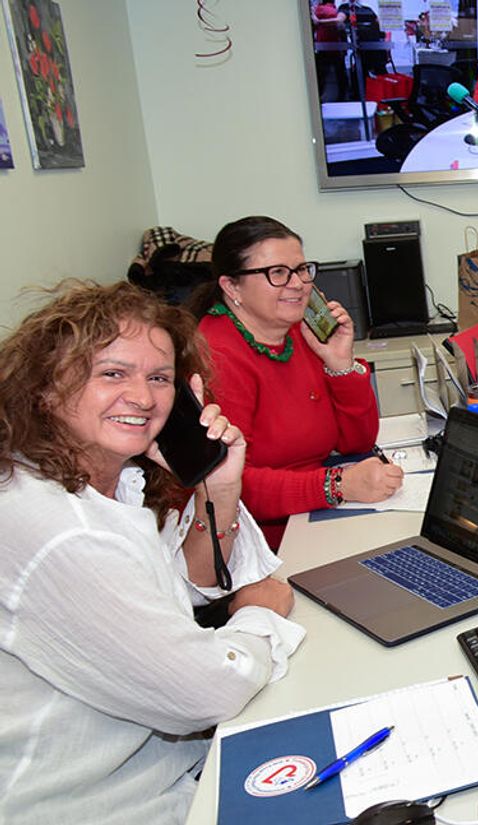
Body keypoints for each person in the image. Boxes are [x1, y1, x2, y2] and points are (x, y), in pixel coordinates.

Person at [0, 281, 304, 823]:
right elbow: (203, 693)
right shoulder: (62, 530)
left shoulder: (100, 482)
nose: (143, 398)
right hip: (103, 805)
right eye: (112, 374)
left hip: (160, 770)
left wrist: (218, 487)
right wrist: (259, 616)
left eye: (160, 378)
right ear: (46, 388)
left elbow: (173, 590)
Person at [187, 216, 401, 549]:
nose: (298, 284)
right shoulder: (216, 355)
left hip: (314, 513)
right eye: (278, 273)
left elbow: (357, 442)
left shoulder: (298, 332)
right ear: (231, 287)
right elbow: (229, 486)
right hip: (259, 541)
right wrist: (337, 485)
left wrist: (340, 364)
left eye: (301, 269)